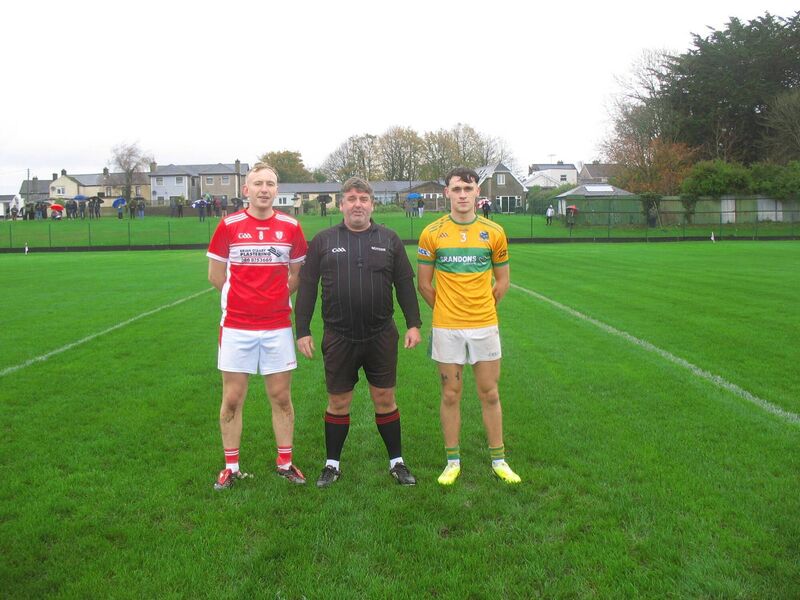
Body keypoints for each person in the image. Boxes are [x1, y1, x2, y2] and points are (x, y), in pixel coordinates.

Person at [294, 177, 422, 488]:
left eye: (363, 198)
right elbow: (308, 287)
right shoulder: (323, 241)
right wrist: (302, 330)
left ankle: (397, 462)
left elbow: (405, 283)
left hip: (381, 334)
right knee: (338, 402)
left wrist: (414, 324)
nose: (357, 204)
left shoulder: (389, 239)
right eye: (351, 198)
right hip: (339, 336)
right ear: (341, 205)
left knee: (385, 397)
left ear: (372, 204)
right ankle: (332, 464)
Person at [207, 162, 309, 490]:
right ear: (246, 190)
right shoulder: (229, 225)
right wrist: (244, 299)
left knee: (280, 396)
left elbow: (296, 276)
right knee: (233, 398)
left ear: (277, 190)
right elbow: (215, 275)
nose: (264, 189)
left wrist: (273, 297)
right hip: (237, 326)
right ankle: (231, 466)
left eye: (270, 184)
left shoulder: (292, 227)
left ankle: (285, 462)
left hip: (277, 324)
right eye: (258, 183)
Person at [417, 166, 521, 486]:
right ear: (447, 193)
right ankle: (452, 461)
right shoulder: (432, 232)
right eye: (456, 189)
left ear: (478, 193)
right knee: (451, 393)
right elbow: (424, 284)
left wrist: (481, 308)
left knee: (489, 393)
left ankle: (499, 460)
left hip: (484, 325)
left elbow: (502, 282)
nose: (462, 194)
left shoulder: (494, 232)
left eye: (468, 188)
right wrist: (449, 310)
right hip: (447, 327)